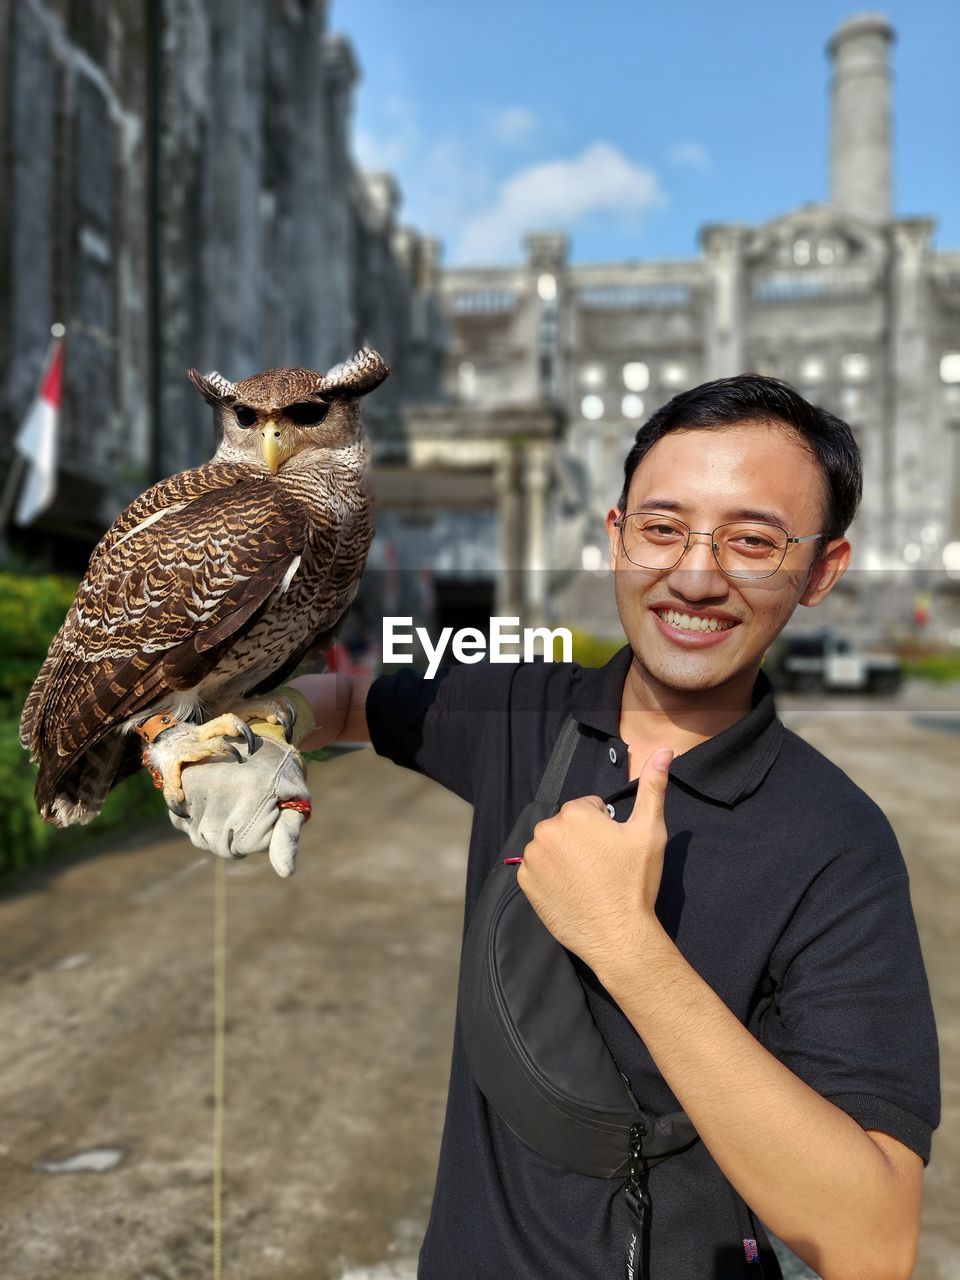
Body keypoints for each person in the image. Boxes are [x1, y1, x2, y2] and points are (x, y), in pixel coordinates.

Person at [173, 375, 940, 1280]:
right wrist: (268, 733)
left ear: (821, 571)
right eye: (662, 528)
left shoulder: (834, 841)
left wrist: (627, 944)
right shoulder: (523, 711)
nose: (695, 574)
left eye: (753, 541)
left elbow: (872, 1240)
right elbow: (348, 702)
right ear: (616, 538)